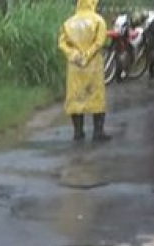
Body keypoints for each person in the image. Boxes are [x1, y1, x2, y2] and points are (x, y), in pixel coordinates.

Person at [59, 0, 112, 142]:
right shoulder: (98, 20)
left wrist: (73, 54)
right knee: (96, 96)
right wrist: (87, 55)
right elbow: (100, 42)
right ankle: (98, 132)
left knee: (75, 97)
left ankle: (78, 131)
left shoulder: (68, 23)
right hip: (93, 66)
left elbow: (62, 43)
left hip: (75, 67)